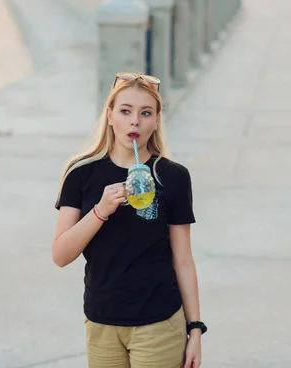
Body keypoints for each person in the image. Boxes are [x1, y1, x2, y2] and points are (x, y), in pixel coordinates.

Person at [52, 72, 207, 368]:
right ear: (109, 115)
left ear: (157, 119)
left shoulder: (172, 176)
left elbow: (183, 259)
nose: (135, 121)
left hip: (159, 323)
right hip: (101, 323)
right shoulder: (81, 173)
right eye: (125, 111)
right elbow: (60, 255)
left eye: (145, 113)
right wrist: (100, 211)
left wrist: (196, 328)